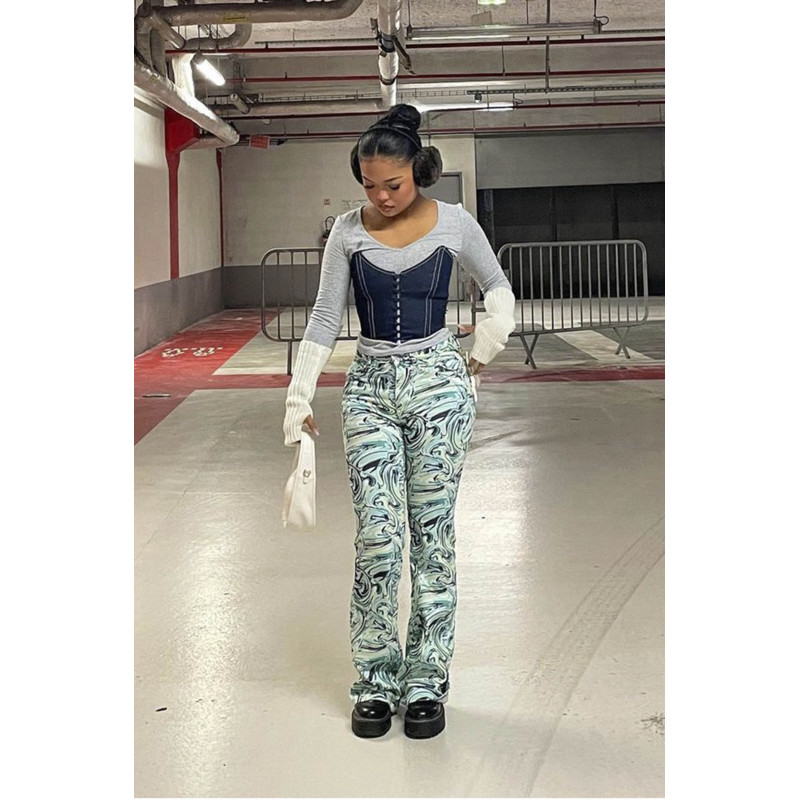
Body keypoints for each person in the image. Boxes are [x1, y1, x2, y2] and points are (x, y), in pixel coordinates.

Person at [282, 104, 516, 740]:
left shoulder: (456, 223)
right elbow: (325, 316)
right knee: (378, 538)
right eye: (369, 185)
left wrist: (486, 343)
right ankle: (375, 679)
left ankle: (425, 680)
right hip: (369, 389)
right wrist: (299, 396)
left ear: (420, 171)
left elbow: (497, 287)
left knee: (432, 537)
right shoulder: (346, 232)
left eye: (394, 184)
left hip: (439, 385)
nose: (381, 197)